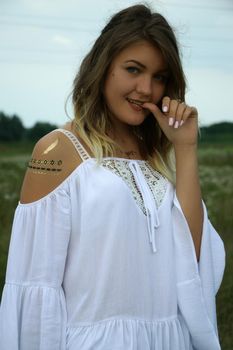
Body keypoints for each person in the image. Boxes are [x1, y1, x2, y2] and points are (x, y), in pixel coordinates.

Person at [0, 4, 225, 350]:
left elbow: (194, 265)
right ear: (103, 67)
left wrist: (185, 148)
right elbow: (36, 288)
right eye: (133, 69)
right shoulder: (59, 150)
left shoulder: (157, 159)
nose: (146, 88)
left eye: (159, 76)